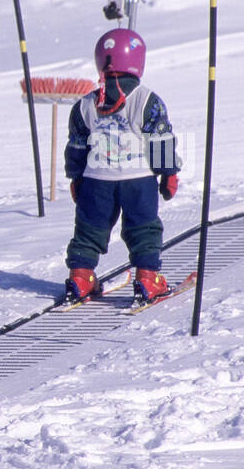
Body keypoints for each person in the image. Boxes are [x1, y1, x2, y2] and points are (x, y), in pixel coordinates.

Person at [63, 28, 182, 304]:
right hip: (138, 180)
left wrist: (75, 177)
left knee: (89, 227)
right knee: (143, 227)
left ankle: (81, 276)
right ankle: (147, 278)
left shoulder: (85, 104)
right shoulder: (146, 99)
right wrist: (168, 173)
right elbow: (160, 137)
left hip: (96, 180)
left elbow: (77, 144)